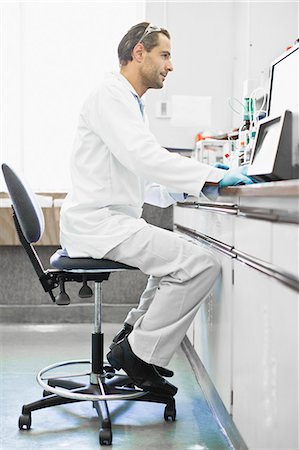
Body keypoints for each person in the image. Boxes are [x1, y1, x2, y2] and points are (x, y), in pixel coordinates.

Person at [60, 22, 255, 397]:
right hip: (98, 223)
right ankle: (138, 354)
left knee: (175, 263)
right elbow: (144, 157)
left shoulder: (128, 102)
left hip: (107, 220)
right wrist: (211, 175)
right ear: (139, 53)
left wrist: (196, 187)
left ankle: (132, 337)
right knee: (200, 265)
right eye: (164, 55)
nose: (170, 65)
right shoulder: (110, 96)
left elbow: (142, 176)